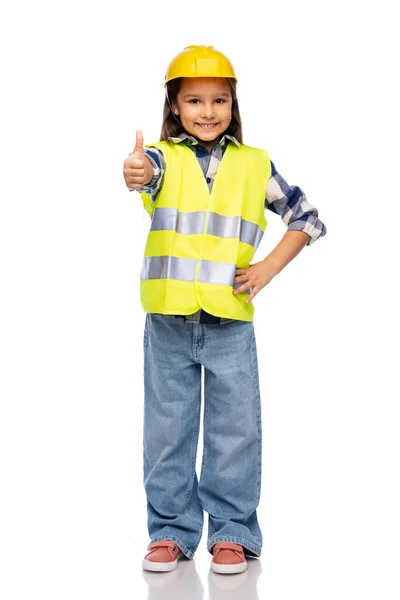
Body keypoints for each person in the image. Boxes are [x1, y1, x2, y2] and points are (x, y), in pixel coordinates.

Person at [123, 45, 326, 574]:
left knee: (234, 430)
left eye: (219, 99)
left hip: (229, 322)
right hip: (168, 321)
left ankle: (233, 533)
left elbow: (305, 217)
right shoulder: (166, 158)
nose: (207, 111)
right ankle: (169, 532)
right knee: (167, 431)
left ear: (233, 105)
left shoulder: (255, 164)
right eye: (194, 100)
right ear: (174, 107)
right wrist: (137, 169)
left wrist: (267, 270)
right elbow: (147, 174)